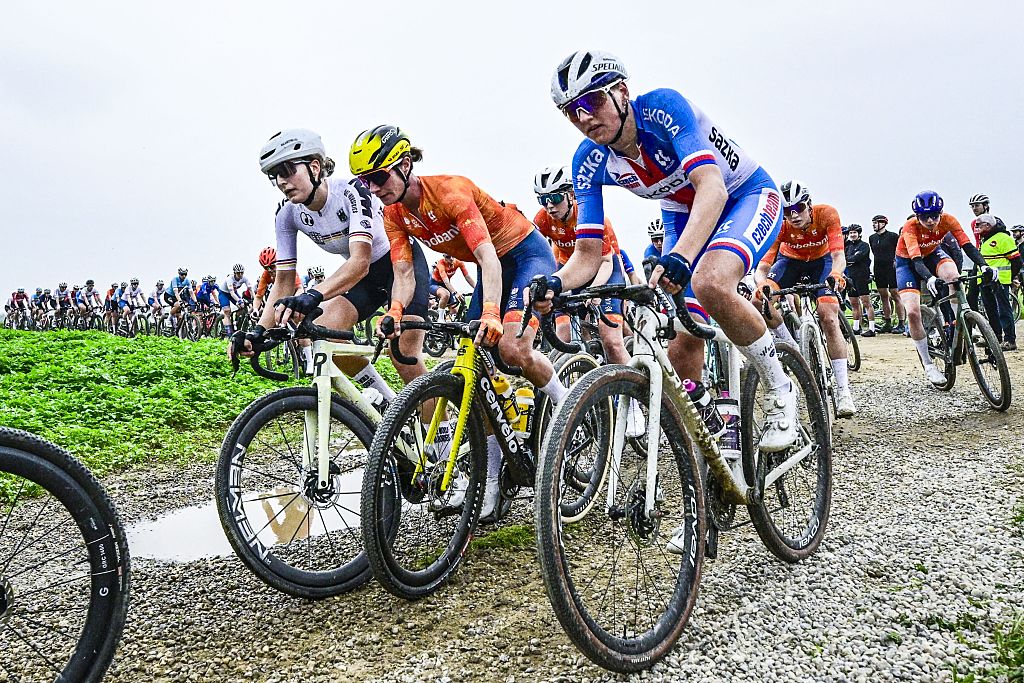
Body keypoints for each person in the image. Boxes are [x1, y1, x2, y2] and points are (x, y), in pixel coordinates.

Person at [536, 49, 796, 481]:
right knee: (682, 336)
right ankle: (710, 476)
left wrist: (679, 258)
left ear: (622, 92)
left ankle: (777, 383)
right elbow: (587, 253)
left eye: (592, 102)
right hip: (681, 213)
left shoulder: (663, 108)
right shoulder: (588, 161)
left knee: (710, 282)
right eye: (570, 112)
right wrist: (555, 285)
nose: (583, 117)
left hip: (742, 194)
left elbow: (711, 188)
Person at [350, 124, 568, 520]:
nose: (374, 188)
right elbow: (403, 274)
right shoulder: (393, 214)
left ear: (403, 164)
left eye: (378, 177)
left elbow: (487, 258)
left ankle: (565, 402)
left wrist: (490, 314)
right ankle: (495, 468)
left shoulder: (451, 192)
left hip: (523, 256)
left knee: (512, 348)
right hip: (493, 267)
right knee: (471, 364)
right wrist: (395, 312)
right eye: (366, 182)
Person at [241, 128, 429, 390]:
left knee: (403, 355)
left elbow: (360, 261)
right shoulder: (287, 213)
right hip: (364, 279)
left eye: (286, 170)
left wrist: (313, 295)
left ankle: (442, 429)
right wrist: (258, 331)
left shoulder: (351, 192)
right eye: (275, 176)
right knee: (325, 333)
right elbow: (282, 281)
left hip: (399, 265)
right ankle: (387, 403)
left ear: (314, 167)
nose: (282, 181)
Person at [755, 181, 855, 417]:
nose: (793, 215)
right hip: (792, 263)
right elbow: (763, 268)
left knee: (828, 316)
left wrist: (837, 275)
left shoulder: (826, 213)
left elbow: (839, 255)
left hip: (823, 263)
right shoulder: (781, 225)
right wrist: (762, 285)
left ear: (808, 205)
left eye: (798, 208)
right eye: (787, 211)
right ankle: (792, 346)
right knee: (759, 301)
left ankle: (843, 391)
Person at [531, 165, 633, 370]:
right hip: (571, 270)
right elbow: (536, 254)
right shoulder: (543, 219)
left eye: (556, 198)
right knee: (564, 334)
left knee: (611, 341)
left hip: (603, 269)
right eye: (543, 200)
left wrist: (593, 292)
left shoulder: (591, 215)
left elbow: (606, 262)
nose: (549, 206)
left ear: (570, 195)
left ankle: (637, 394)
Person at [896, 191, 997, 384]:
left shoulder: (949, 220)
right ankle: (928, 364)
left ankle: (961, 321)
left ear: (941, 212)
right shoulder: (910, 227)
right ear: (917, 216)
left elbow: (967, 246)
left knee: (954, 277)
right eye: (925, 217)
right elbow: (916, 261)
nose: (931, 220)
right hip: (908, 262)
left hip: (933, 254)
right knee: (913, 312)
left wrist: (984, 265)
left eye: (935, 215)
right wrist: (930, 278)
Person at [975, 213, 1020, 350]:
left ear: (988, 225)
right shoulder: (984, 240)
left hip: (999, 281)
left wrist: (1010, 278)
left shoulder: (1003, 238)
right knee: (990, 310)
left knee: (1003, 310)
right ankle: (995, 338)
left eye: (978, 224)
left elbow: (1017, 262)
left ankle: (1009, 340)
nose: (976, 227)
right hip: (984, 280)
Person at [869, 214, 906, 333]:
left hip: (891, 267)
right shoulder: (872, 238)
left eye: (876, 222)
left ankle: (901, 322)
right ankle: (887, 322)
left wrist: (897, 262)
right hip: (879, 268)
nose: (874, 225)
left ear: (883, 223)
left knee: (895, 294)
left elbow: (899, 249)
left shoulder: (893, 236)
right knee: (883, 295)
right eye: (873, 222)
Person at [844, 225, 875, 337]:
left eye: (855, 233)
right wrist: (849, 260)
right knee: (854, 303)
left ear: (859, 234)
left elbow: (855, 258)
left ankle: (872, 328)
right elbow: (845, 259)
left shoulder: (864, 245)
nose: (852, 235)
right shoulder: (847, 246)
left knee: (866, 302)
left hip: (862, 276)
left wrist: (849, 260)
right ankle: (856, 328)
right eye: (851, 233)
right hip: (850, 277)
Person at [430, 254, 476, 320]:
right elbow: (446, 282)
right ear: (444, 257)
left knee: (455, 312)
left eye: (453, 256)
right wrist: (455, 293)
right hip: (434, 284)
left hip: (445, 285)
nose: (451, 259)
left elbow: (467, 277)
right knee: (445, 294)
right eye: (448, 257)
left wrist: (476, 288)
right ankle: (440, 319)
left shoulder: (458, 262)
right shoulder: (441, 264)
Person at [220, 264, 252, 337]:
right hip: (224, 294)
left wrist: (254, 298)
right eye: (238, 273)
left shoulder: (244, 278)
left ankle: (237, 322)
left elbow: (250, 289)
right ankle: (229, 334)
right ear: (234, 273)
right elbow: (232, 293)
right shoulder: (229, 279)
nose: (240, 275)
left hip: (234, 293)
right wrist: (239, 301)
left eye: (242, 273)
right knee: (227, 311)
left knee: (243, 307)